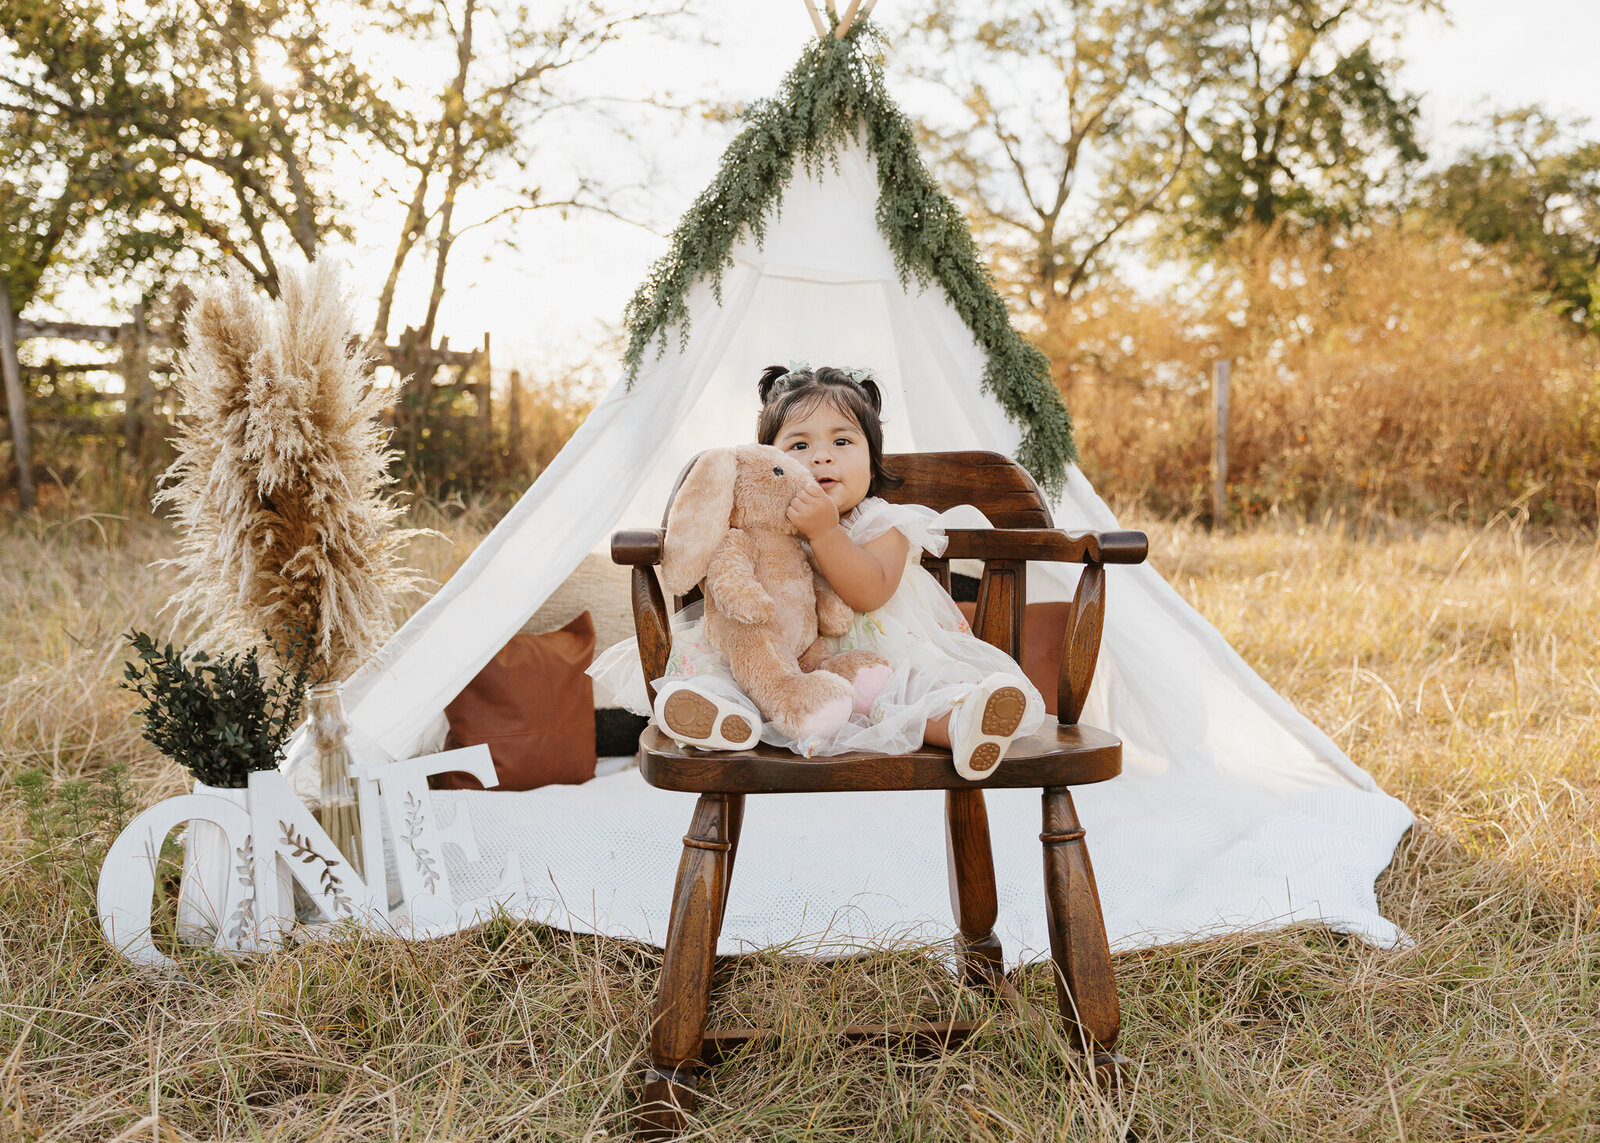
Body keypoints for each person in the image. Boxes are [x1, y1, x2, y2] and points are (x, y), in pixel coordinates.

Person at [588, 363, 1047, 780]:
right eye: (800, 445)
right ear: (771, 461)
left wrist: (826, 535)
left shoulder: (885, 524)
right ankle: (715, 715)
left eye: (842, 442)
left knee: (904, 694)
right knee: (728, 671)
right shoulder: (762, 525)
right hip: (779, 665)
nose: (821, 457)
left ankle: (967, 726)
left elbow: (869, 594)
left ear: (872, 461)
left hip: (871, 663)